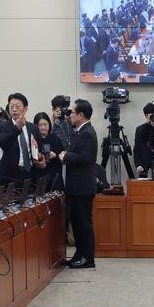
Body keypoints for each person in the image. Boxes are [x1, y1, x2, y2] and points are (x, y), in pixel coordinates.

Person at [58, 99, 99, 268]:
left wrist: (66, 156)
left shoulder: (87, 132)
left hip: (82, 187)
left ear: (81, 115)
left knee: (83, 224)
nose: (69, 116)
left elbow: (86, 158)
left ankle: (87, 258)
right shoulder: (80, 131)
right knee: (76, 223)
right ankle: (79, 254)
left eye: (72, 113)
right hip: (76, 187)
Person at [0, 92, 41, 185]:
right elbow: (4, 143)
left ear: (25, 108)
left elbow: (39, 147)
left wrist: (41, 157)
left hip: (30, 173)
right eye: (11, 106)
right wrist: (17, 127)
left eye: (17, 106)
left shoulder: (33, 128)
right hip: (11, 176)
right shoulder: (2, 126)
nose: (14, 109)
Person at [34, 112, 63, 189]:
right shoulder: (33, 139)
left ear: (49, 125)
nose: (43, 127)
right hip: (39, 177)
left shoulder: (55, 138)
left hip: (54, 177)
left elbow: (63, 156)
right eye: (40, 125)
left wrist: (55, 155)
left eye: (45, 124)